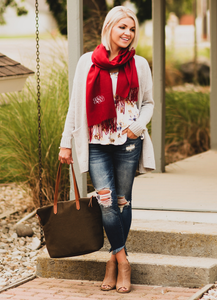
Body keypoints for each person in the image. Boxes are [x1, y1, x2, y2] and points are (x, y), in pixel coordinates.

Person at [58, 5, 155, 293]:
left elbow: (148, 104)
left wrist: (137, 128)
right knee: (106, 202)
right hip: (96, 144)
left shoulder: (139, 65)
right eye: (122, 27)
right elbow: (76, 107)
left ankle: (111, 261)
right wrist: (65, 143)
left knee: (122, 201)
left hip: (128, 144)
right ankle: (122, 260)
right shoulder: (87, 62)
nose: (127, 33)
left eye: (132, 29)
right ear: (109, 28)